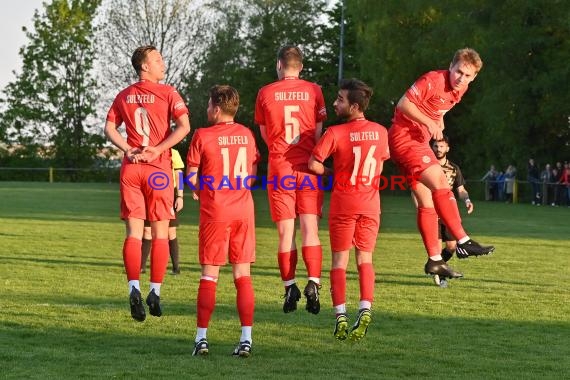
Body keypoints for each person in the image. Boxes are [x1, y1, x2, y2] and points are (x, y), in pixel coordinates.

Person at [387, 47, 494, 283]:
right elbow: (404, 103)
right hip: (405, 138)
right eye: (458, 72)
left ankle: (434, 260)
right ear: (451, 66)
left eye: (467, 75)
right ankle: (463, 242)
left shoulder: (462, 88)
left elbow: (438, 108)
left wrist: (439, 120)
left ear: (474, 77)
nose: (461, 78)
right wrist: (429, 122)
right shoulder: (433, 79)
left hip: (418, 141)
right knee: (441, 182)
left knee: (427, 204)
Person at [104, 45, 191, 322]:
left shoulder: (124, 95)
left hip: (132, 168)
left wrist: (127, 148)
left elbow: (108, 128)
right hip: (158, 169)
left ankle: (133, 288)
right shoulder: (168, 92)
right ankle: (154, 291)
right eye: (157, 60)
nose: (162, 63)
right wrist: (157, 148)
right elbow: (184, 126)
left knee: (133, 233)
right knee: (161, 233)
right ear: (144, 66)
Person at [309, 79, 389, 342]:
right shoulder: (380, 131)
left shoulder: (335, 133)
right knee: (365, 260)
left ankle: (341, 315)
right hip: (371, 204)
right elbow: (380, 162)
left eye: (340, 99)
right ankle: (365, 308)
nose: (335, 103)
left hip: (344, 203)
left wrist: (332, 172)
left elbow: (314, 164)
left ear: (354, 106)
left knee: (339, 263)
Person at [254, 45, 327, 314]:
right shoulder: (314, 91)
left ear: (278, 65)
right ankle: (314, 283)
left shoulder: (265, 92)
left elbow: (265, 133)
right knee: (310, 227)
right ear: (302, 66)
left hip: (280, 167)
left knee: (286, 232)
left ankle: (289, 286)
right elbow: (319, 134)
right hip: (308, 167)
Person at [187, 85, 258, 358]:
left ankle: (202, 339)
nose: (206, 110)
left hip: (216, 211)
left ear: (217, 108)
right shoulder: (247, 134)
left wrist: (199, 189)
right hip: (243, 210)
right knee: (243, 276)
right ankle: (246, 339)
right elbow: (252, 171)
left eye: (208, 106)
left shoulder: (202, 135)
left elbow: (192, 176)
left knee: (209, 275)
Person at [141, 148, 185, 275]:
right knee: (147, 230)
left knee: (170, 232)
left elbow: (179, 175)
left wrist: (180, 196)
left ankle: (176, 268)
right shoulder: (146, 151)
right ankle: (141, 267)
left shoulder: (173, 152)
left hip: (168, 195)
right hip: (149, 195)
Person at [431, 136, 474, 264]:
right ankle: (440, 275)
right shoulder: (428, 167)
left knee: (452, 246)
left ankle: (439, 268)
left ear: (447, 148)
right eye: (435, 146)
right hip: (432, 212)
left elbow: (461, 190)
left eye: (441, 146)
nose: (438, 149)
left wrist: (467, 200)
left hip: (447, 211)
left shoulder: (454, 168)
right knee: (436, 249)